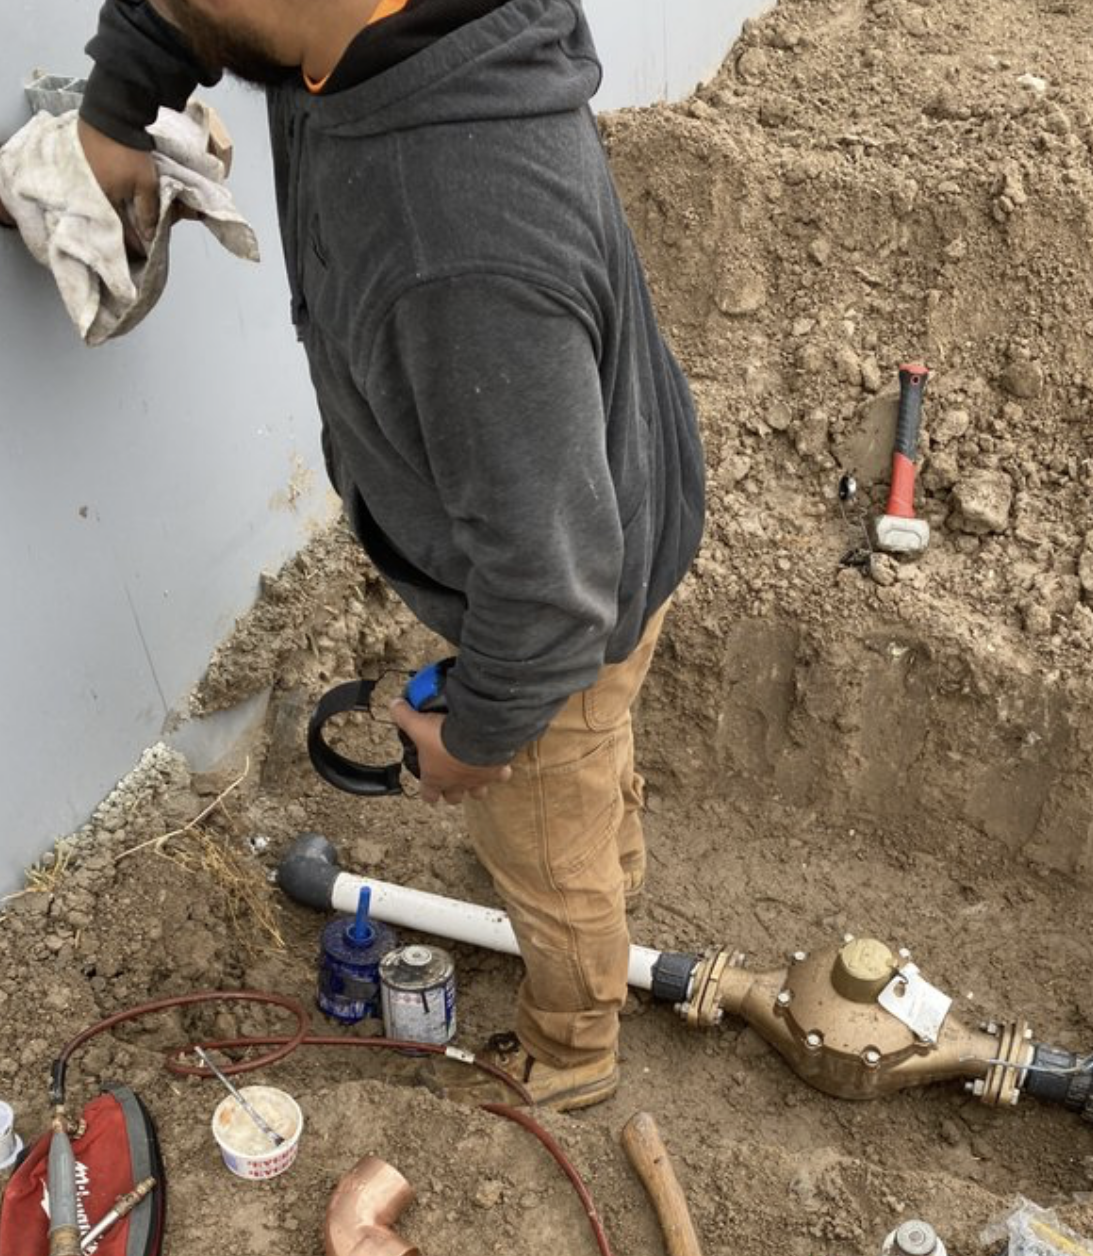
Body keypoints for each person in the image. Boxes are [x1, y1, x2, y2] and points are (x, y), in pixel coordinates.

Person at [79, 0, 705, 1110]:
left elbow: (553, 600)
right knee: (583, 759)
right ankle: (604, 854)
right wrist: (121, 104)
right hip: (587, 513)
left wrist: (475, 737)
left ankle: (571, 1044)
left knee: (545, 810)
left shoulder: (458, 246)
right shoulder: (353, 31)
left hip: (571, 590)